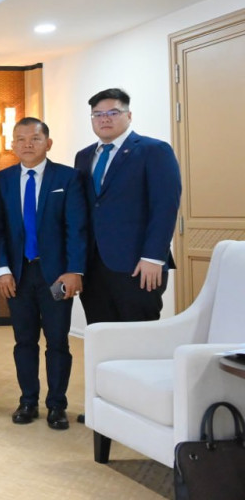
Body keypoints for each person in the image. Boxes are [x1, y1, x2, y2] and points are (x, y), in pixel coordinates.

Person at [0, 118, 86, 431]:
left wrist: (73, 270)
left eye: (34, 138)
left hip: (57, 277)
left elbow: (76, 227)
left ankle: (57, 405)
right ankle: (28, 401)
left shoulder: (68, 178)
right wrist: (2, 269)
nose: (27, 144)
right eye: (20, 139)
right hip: (18, 275)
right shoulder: (2, 180)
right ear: (12, 145)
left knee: (57, 340)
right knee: (24, 340)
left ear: (48, 143)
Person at [74, 88, 181, 324]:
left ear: (129, 115)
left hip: (138, 266)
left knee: (138, 336)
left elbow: (165, 208)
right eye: (97, 114)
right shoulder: (83, 156)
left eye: (113, 113)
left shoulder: (154, 150)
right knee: (101, 333)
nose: (104, 119)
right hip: (93, 267)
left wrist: (154, 258)